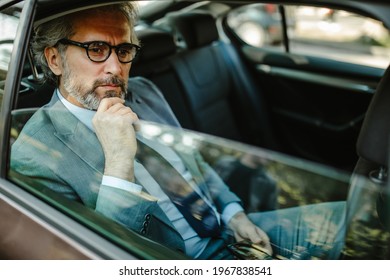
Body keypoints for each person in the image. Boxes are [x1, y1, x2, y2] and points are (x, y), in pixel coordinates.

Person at [10, 2, 346, 260]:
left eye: (124, 51)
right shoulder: (34, 154)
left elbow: (196, 165)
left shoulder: (144, 91)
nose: (115, 68)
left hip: (233, 233)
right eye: (96, 49)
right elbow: (99, 257)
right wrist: (118, 165)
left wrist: (235, 214)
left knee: (353, 219)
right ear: (54, 59)